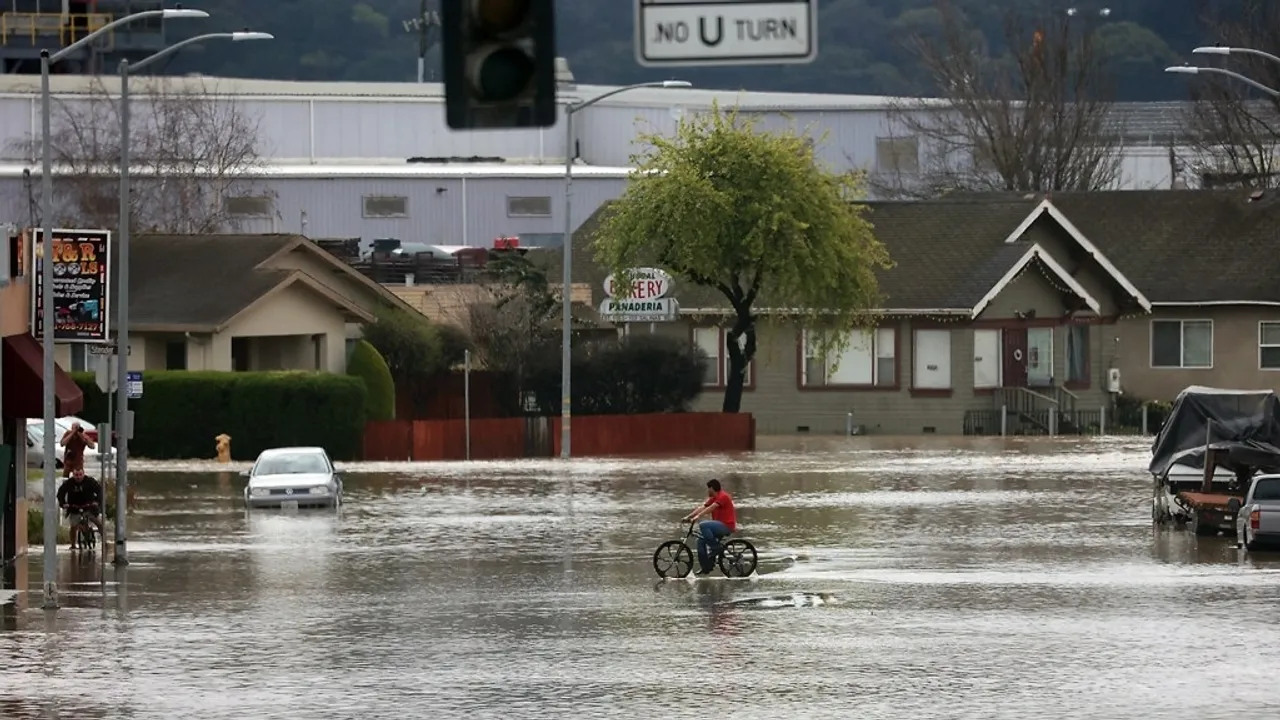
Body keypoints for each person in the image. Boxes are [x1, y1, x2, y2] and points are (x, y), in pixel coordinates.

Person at [683, 478, 737, 576]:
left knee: (703, 525)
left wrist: (698, 517)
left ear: (712, 488)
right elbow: (703, 507)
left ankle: (715, 547)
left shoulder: (723, 496)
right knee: (700, 541)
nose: (707, 491)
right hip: (718, 526)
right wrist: (688, 517)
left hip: (726, 526)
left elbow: (712, 508)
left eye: (708, 488)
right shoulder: (714, 498)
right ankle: (706, 567)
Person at [56, 468, 104, 549]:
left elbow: (99, 491)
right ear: (73, 475)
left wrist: (97, 501)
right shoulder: (69, 483)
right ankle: (73, 545)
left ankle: (104, 540)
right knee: (73, 526)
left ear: (83, 474)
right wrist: (63, 503)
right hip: (74, 508)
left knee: (99, 523)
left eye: (80, 475)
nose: (78, 477)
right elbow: (61, 493)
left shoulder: (90, 481)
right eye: (76, 475)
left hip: (89, 507)